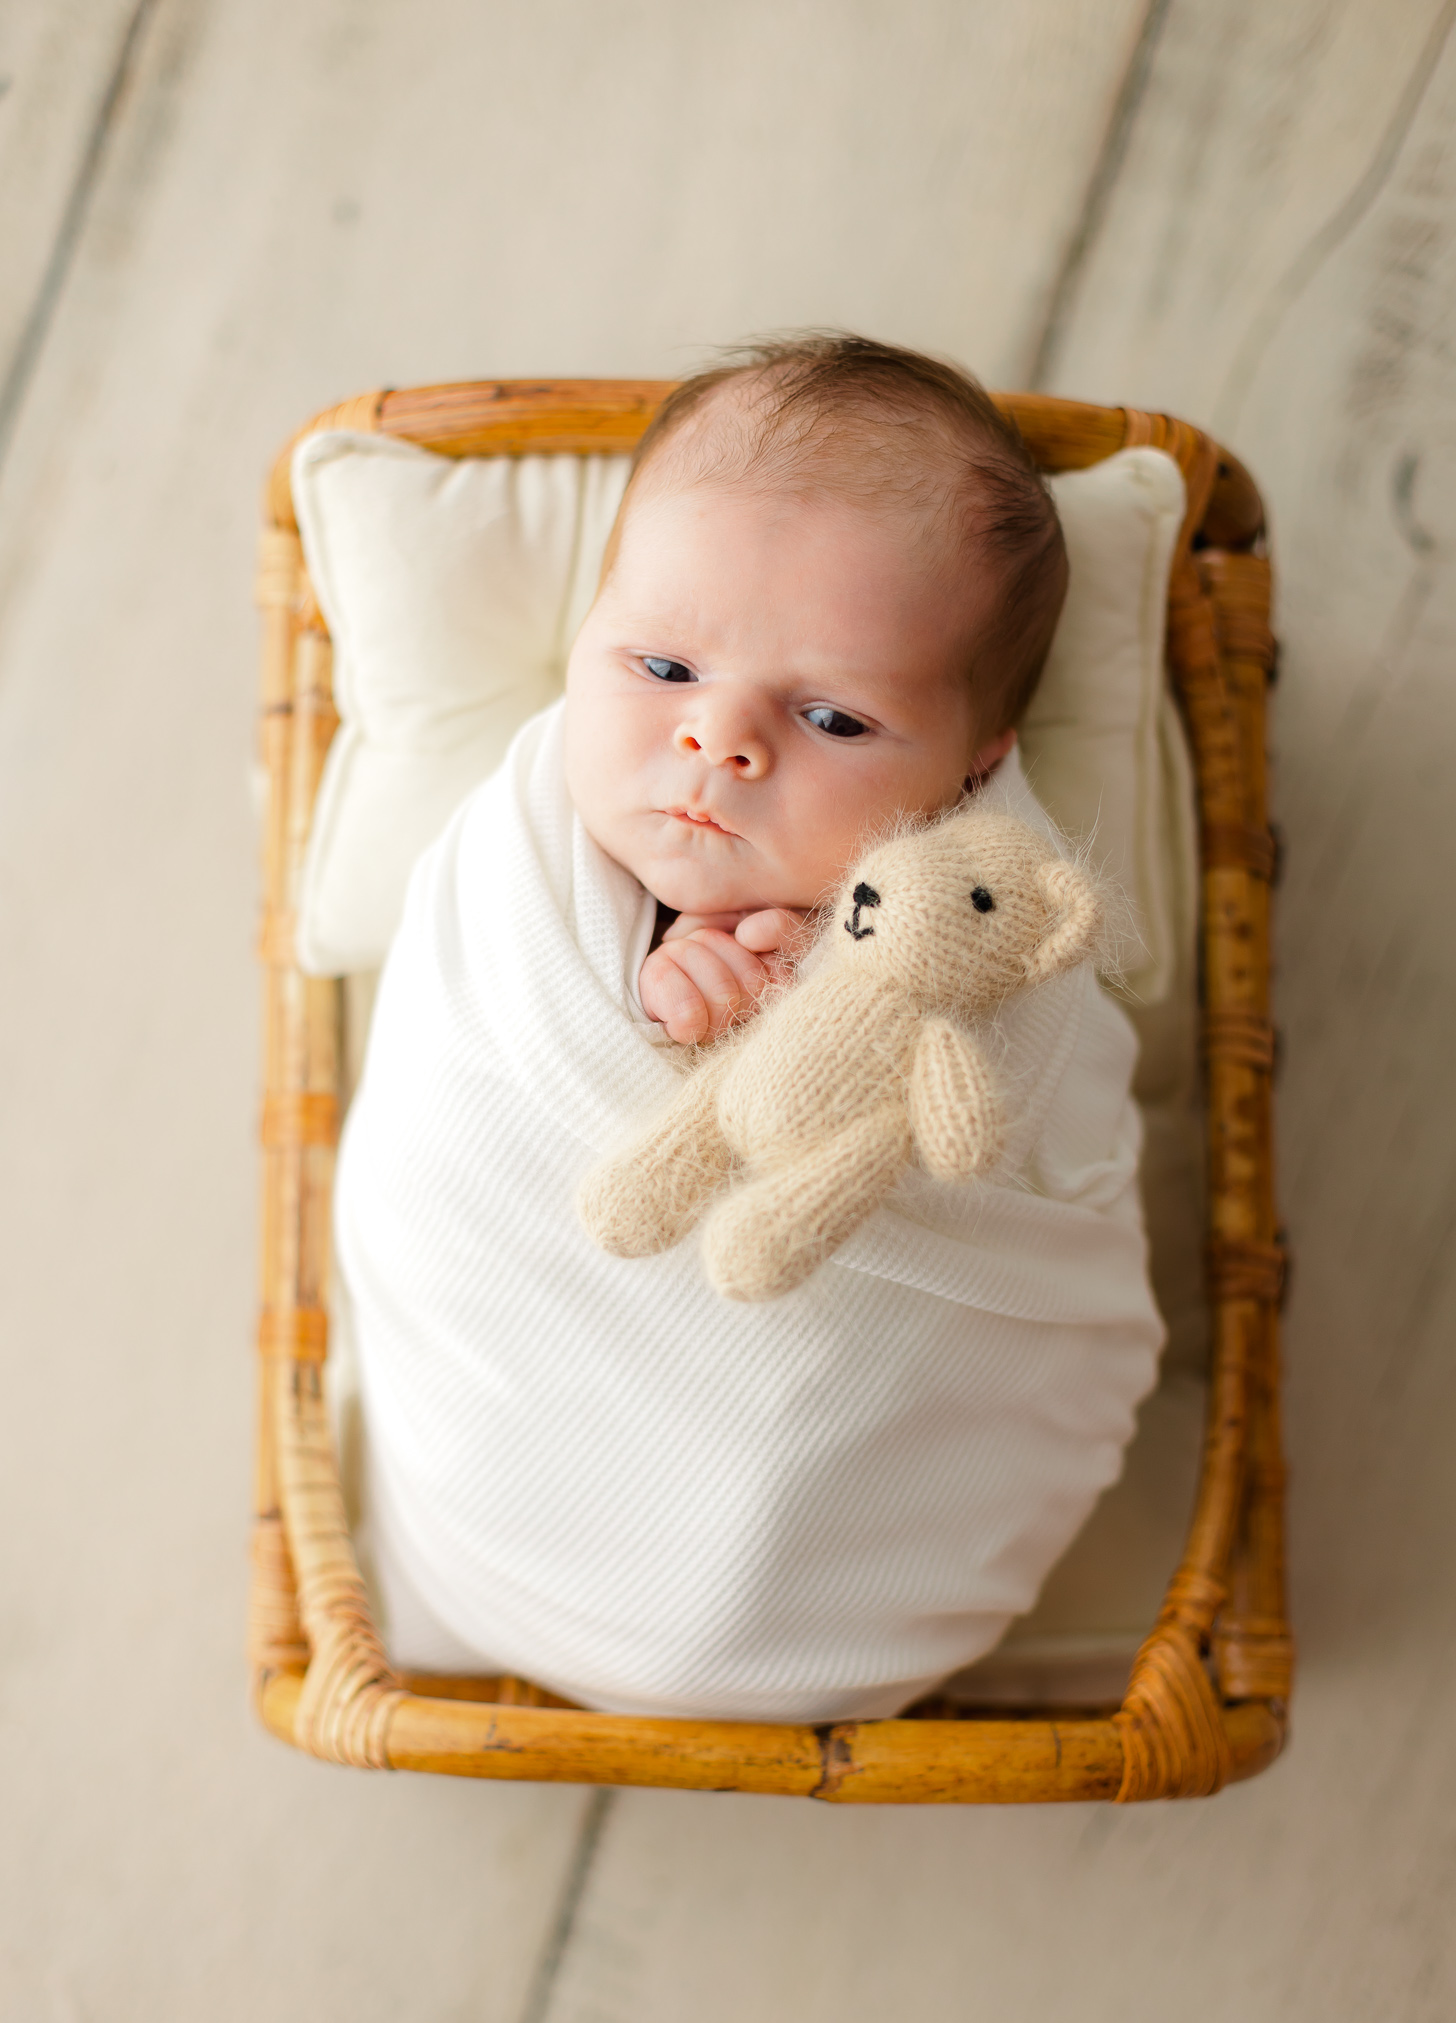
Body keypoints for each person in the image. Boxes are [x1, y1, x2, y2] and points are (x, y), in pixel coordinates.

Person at [336, 335, 1163, 1722]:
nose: (719, 743)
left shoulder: (975, 912)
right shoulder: (527, 865)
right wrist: (659, 1015)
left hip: (857, 1474)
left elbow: (1011, 1121)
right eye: (660, 665)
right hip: (527, 1432)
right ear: (590, 636)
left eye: (834, 716)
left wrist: (831, 1018)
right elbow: (464, 1112)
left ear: (976, 766)